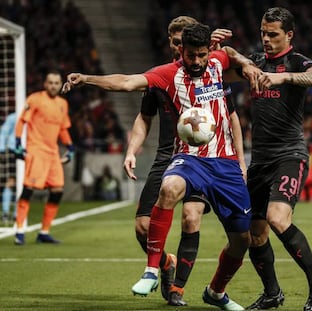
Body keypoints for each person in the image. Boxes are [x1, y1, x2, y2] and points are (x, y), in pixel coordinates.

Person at [63, 22, 261, 311]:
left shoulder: (218, 62)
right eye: (190, 55)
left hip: (225, 162)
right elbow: (127, 82)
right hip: (189, 158)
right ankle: (152, 271)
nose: (196, 61)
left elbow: (229, 54)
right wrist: (87, 79)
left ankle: (216, 292)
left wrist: (244, 62)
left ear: (209, 52)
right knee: (168, 189)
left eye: (201, 55)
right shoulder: (168, 74)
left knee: (243, 239)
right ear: (181, 50)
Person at [123, 16, 239, 306]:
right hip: (167, 156)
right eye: (176, 43)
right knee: (142, 227)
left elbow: (231, 113)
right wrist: (131, 150)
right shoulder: (162, 77)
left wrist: (239, 159)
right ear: (172, 43)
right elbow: (144, 118)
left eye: (183, 44)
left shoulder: (211, 72)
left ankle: (177, 289)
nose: (179, 49)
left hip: (202, 157)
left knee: (190, 218)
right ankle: (164, 263)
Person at [244, 7, 312, 311]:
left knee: (277, 218)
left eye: (273, 34)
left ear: (289, 35)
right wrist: (222, 47)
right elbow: (228, 60)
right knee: (255, 234)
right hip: (259, 160)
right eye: (263, 33)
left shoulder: (296, 62)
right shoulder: (255, 62)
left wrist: (285, 79)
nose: (266, 39)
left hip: (289, 155)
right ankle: (272, 294)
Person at [14, 70, 74, 245]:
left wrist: (70, 147)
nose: (53, 86)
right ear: (45, 84)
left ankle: (44, 232)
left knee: (57, 191)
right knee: (28, 190)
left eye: (56, 83)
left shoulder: (63, 104)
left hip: (53, 153)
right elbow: (21, 121)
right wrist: (18, 143)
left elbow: (63, 128)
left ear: (60, 84)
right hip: (36, 151)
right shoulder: (35, 99)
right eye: (50, 82)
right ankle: (19, 231)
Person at [0, 112, 17, 224]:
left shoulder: (34, 115)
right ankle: (7, 213)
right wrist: (1, 150)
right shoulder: (13, 117)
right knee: (11, 181)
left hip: (29, 151)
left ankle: (15, 213)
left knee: (23, 183)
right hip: (14, 151)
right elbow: (4, 132)